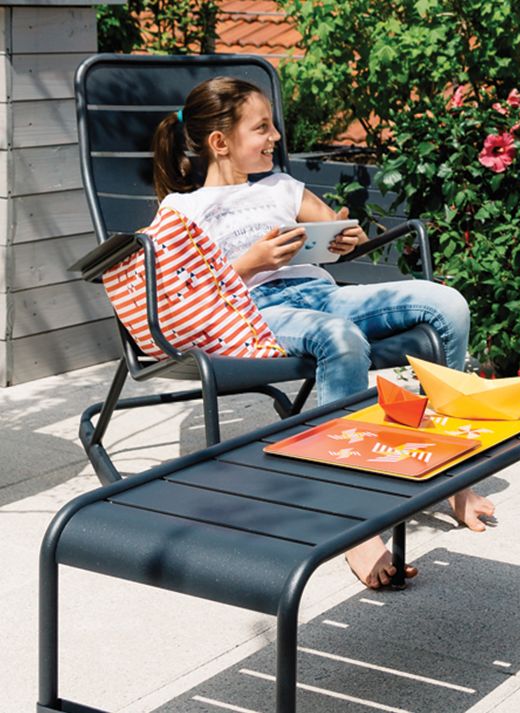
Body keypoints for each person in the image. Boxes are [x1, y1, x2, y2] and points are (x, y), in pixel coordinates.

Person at [151, 77, 495, 588]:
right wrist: (249, 263)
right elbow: (180, 293)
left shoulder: (281, 187)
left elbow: (333, 228)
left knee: (448, 303)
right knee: (340, 337)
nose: (274, 137)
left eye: (273, 126)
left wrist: (346, 236)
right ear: (219, 142)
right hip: (253, 310)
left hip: (322, 293)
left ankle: (451, 473)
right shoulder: (182, 211)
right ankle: (352, 521)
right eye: (261, 127)